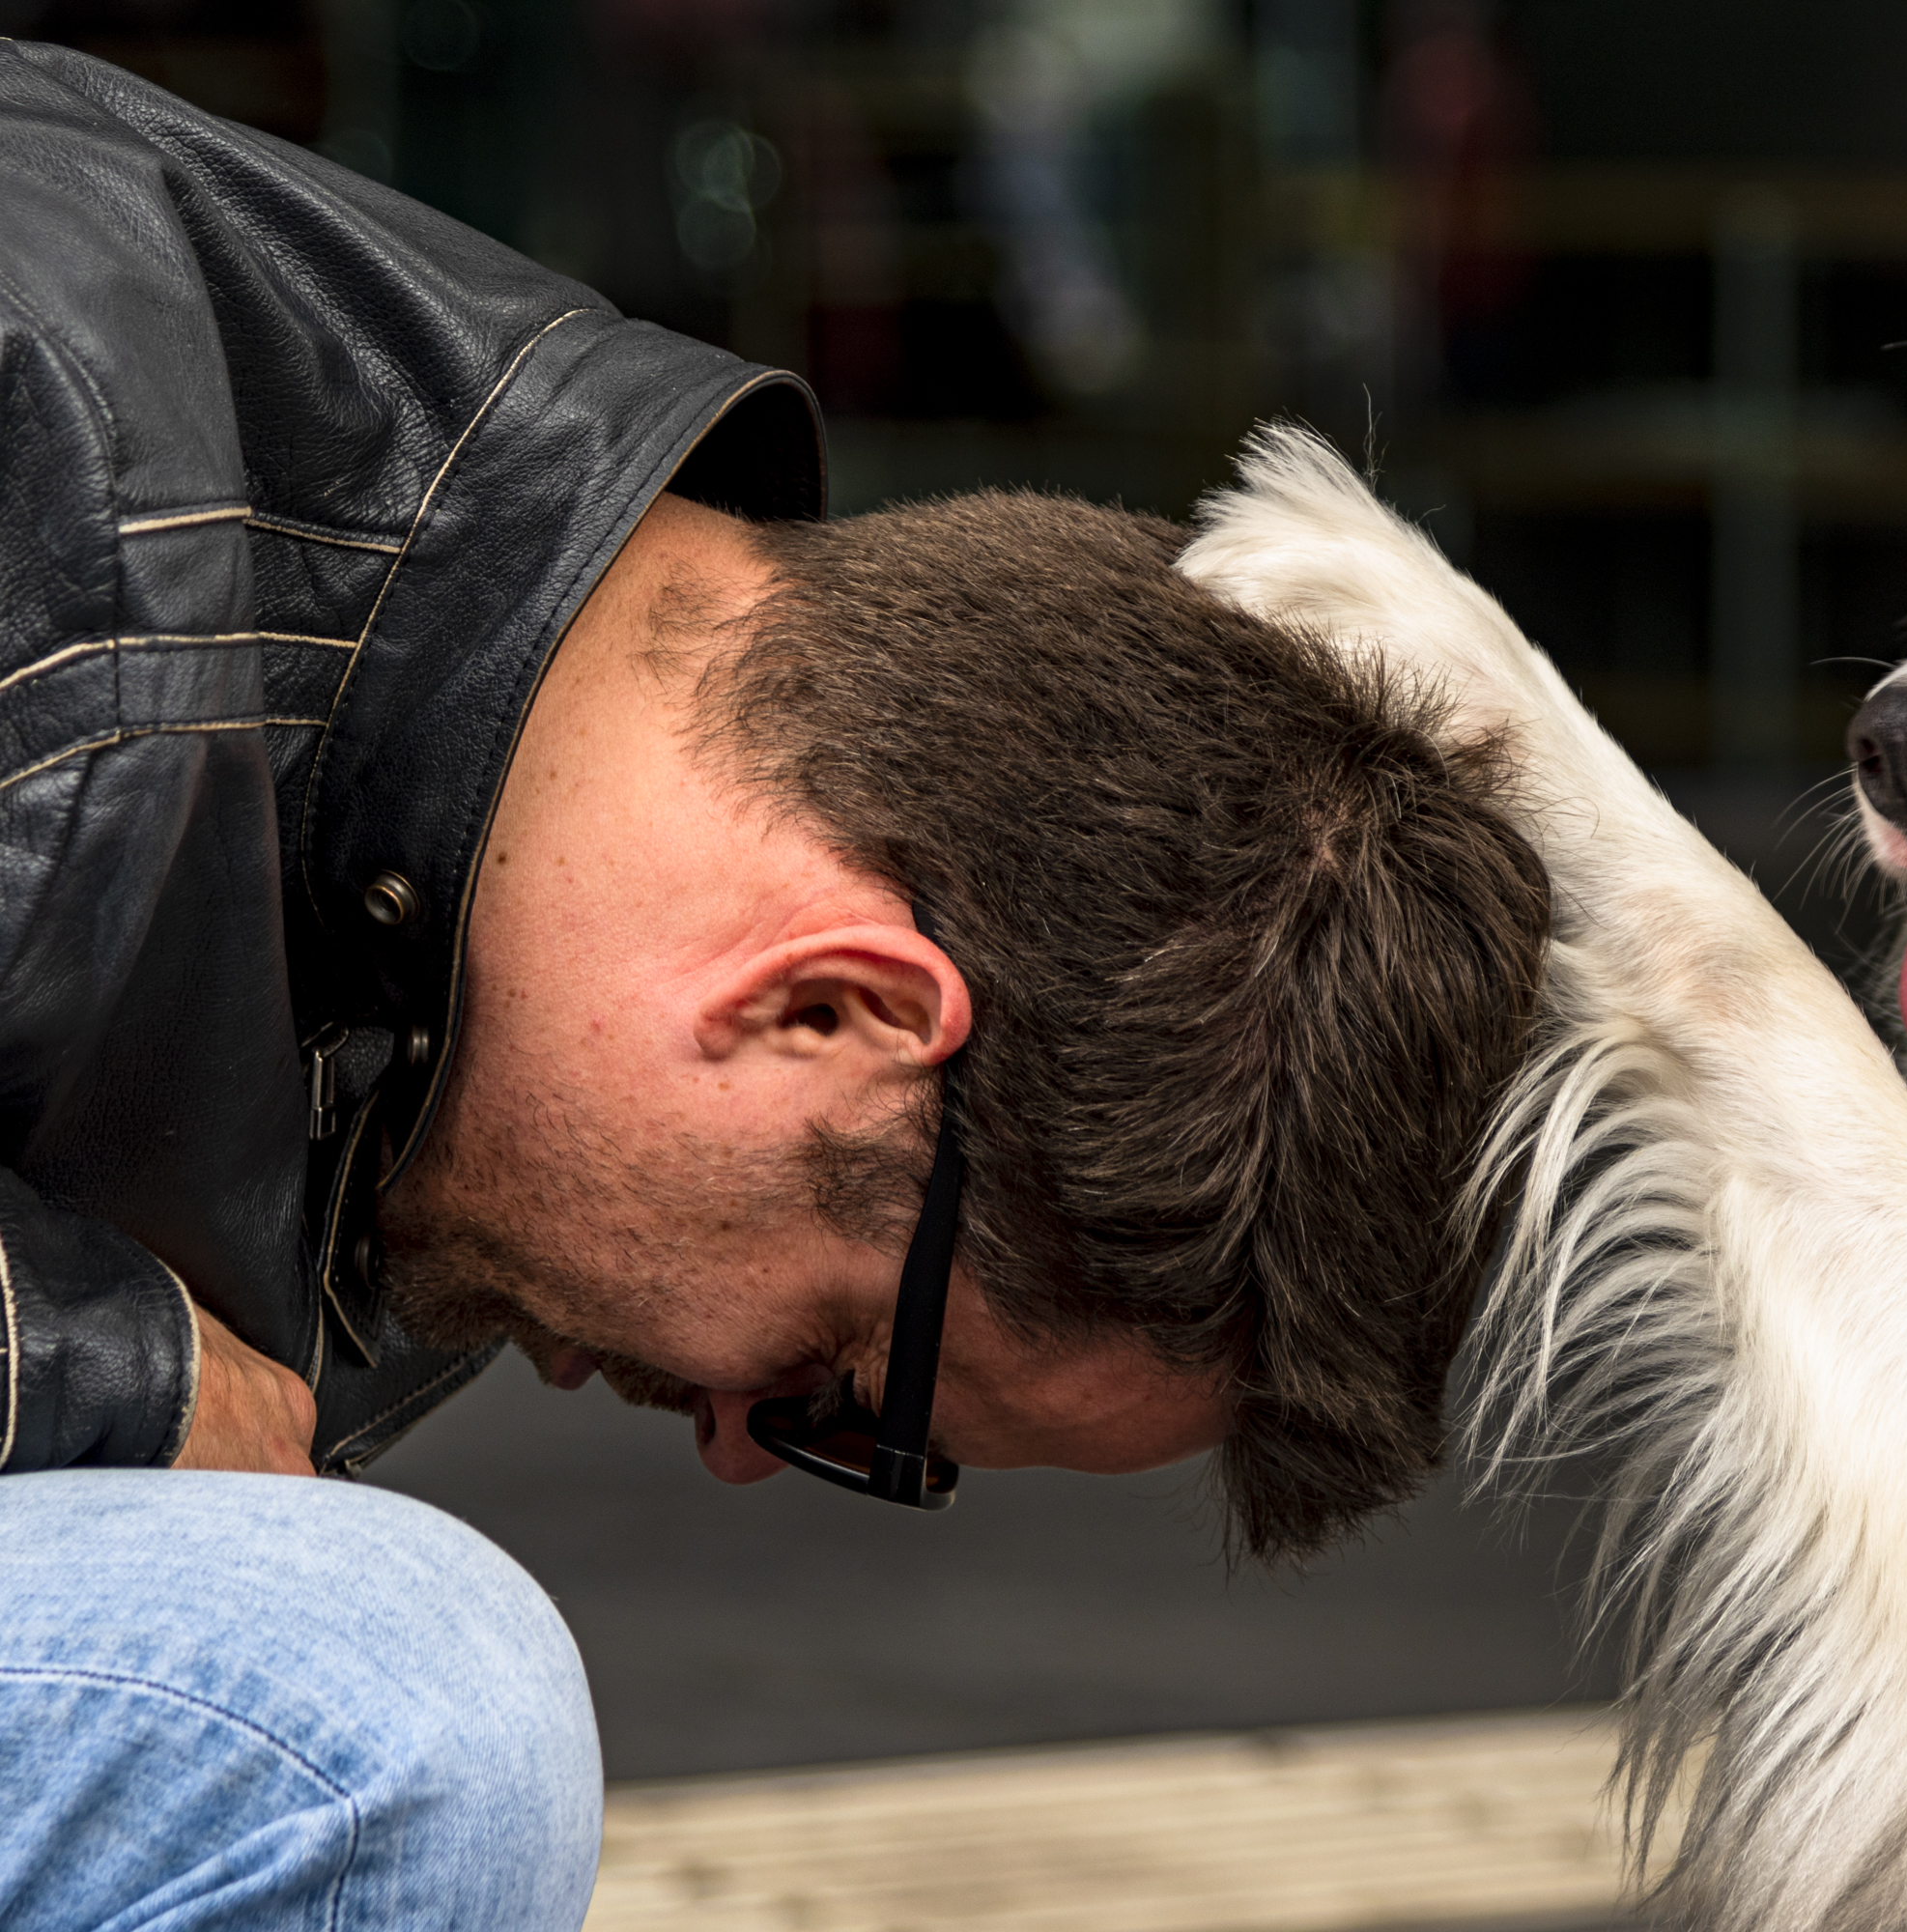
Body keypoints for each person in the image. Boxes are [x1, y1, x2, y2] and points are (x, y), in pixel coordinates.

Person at [0, 42, 1551, 1931]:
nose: (737, 1446)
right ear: (836, 1012)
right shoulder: (55, 425)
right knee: (360, 1713)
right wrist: (101, 1369)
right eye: (841, 1387)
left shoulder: (411, 810)